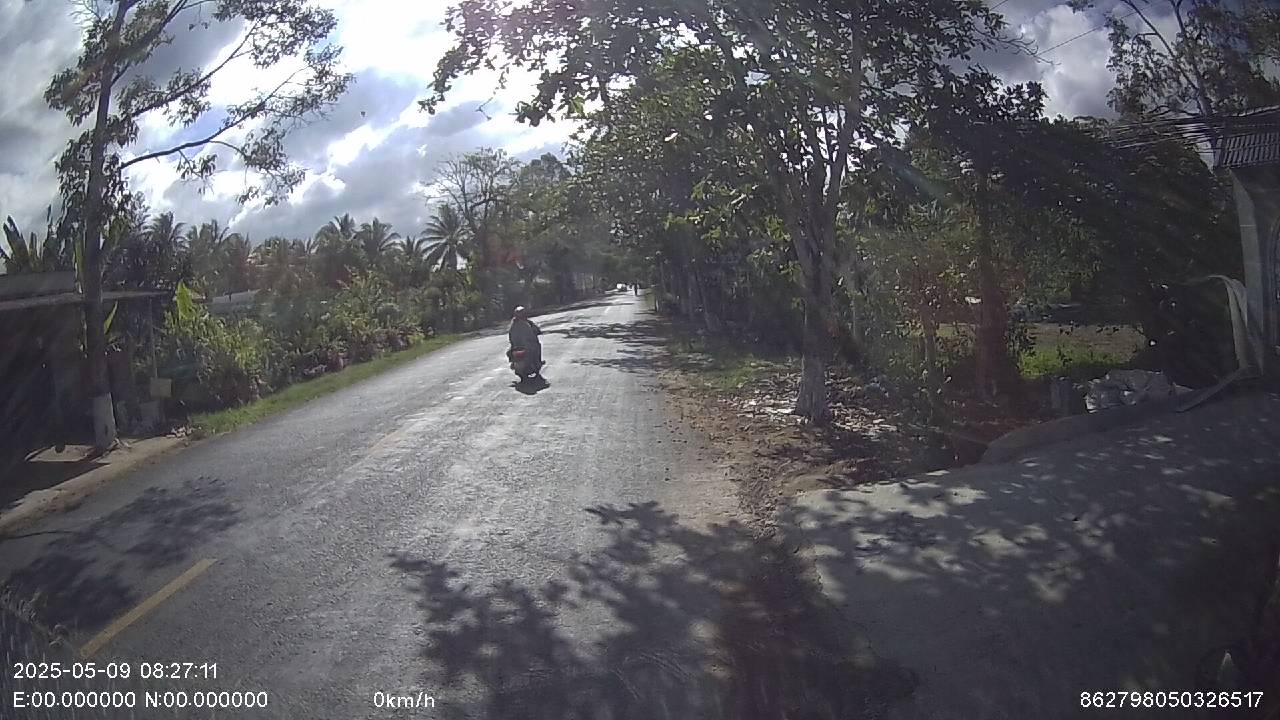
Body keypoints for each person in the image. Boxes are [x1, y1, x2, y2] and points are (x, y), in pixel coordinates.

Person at [507, 305, 543, 376]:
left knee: (510, 352)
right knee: (537, 346)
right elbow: (534, 332)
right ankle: (537, 362)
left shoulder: (513, 324)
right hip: (526, 345)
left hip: (516, 346)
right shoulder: (527, 323)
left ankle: (515, 364)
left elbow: (510, 336)